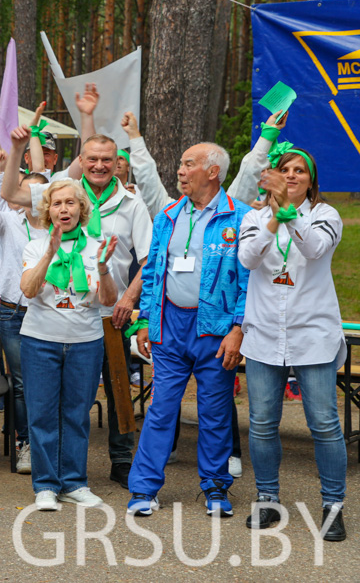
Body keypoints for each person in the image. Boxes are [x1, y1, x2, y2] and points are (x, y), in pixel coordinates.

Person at [127, 141, 250, 518]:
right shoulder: (167, 214)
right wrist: (147, 319)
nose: (180, 171)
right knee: (161, 409)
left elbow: (249, 281)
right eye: (180, 164)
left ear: (212, 172)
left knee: (214, 412)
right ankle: (144, 489)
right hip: (171, 326)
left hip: (215, 329)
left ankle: (215, 489)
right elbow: (152, 274)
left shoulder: (241, 217)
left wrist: (238, 328)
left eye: (188, 164)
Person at [238, 133, 347, 540]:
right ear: (273, 175)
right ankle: (267, 500)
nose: (291, 176)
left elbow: (316, 248)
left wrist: (288, 210)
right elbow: (248, 258)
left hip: (313, 336)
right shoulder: (251, 218)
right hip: (264, 335)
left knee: (324, 425)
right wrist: (272, 214)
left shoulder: (326, 214)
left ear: (311, 180)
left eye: (299, 171)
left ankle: (333, 506)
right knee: (263, 424)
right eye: (285, 170)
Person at [19, 180, 119, 509]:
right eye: (57, 203)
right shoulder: (35, 246)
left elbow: (108, 300)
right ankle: (46, 485)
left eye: (71, 203)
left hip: (85, 342)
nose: (64, 209)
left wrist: (103, 268)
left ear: (82, 209)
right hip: (40, 341)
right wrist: (50, 252)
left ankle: (74, 482)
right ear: (48, 210)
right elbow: (29, 291)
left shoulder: (97, 246)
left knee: (76, 414)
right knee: (42, 414)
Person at [0, 145, 49, 475]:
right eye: (26, 192)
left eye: (39, 193)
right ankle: (25, 443)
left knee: (45, 379)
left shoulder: (57, 227)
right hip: (13, 312)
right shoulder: (7, 221)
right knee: (19, 382)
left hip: (48, 313)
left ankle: (47, 441)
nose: (32, 198)